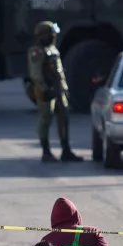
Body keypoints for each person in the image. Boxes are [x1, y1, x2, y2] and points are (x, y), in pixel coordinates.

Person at [28, 21, 84, 163]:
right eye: (50, 34)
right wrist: (44, 90)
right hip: (46, 90)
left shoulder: (53, 50)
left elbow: (59, 73)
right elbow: (36, 73)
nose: (53, 36)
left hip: (59, 90)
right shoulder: (37, 52)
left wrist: (64, 89)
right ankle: (46, 152)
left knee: (64, 119)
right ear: (42, 35)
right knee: (45, 119)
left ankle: (66, 150)